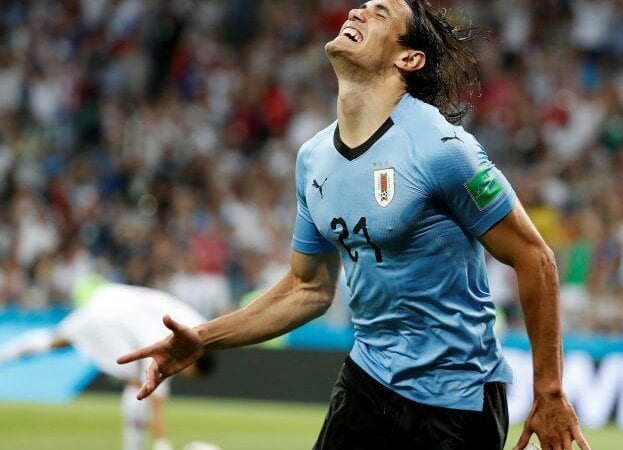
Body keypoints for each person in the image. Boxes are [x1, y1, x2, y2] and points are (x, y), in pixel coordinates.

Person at [118, 1, 590, 449]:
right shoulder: (313, 159)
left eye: (380, 13)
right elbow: (308, 288)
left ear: (409, 58)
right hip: (369, 379)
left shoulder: (443, 149)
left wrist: (549, 390)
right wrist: (204, 339)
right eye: (361, 7)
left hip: (457, 397)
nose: (358, 12)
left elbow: (535, 257)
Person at [0, 277, 215, 450]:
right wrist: (161, 442)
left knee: (57, 340)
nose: (182, 372)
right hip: (113, 318)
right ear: (194, 361)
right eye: (189, 372)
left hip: (109, 297)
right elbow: (156, 395)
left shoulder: (195, 324)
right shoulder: (176, 336)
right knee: (139, 382)